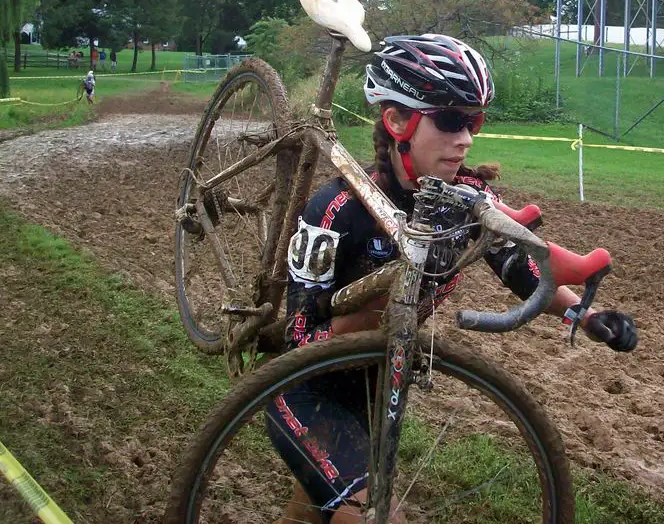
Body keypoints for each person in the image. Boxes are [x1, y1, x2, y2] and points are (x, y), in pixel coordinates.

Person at [265, 34, 638, 524]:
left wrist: (585, 315)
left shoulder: (464, 198)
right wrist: (380, 311)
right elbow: (299, 339)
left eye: (473, 121)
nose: (465, 138)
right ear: (398, 120)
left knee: (312, 511)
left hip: (375, 389)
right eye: (449, 120)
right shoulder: (338, 209)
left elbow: (517, 267)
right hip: (308, 391)